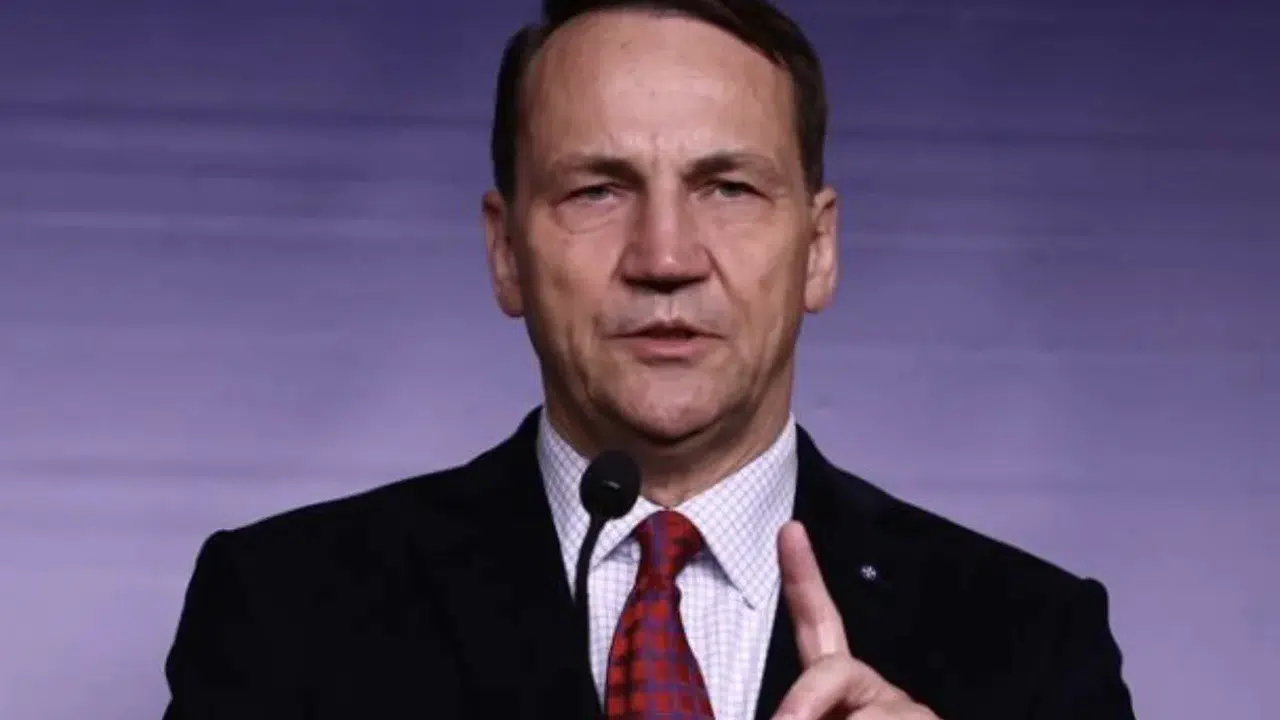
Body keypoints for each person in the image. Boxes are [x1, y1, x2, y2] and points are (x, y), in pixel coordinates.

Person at [161, 1, 1137, 718]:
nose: (664, 257)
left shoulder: (1030, 638)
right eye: (596, 189)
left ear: (818, 249)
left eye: (728, 188)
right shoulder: (286, 610)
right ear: (505, 253)